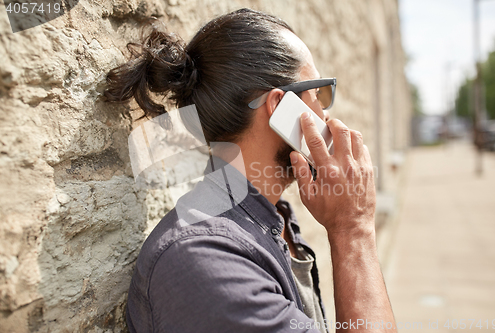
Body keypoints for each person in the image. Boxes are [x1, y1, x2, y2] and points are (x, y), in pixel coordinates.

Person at [105, 8, 397, 333]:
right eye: (318, 93)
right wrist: (353, 228)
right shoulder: (202, 259)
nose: (326, 113)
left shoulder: (272, 217)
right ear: (279, 106)